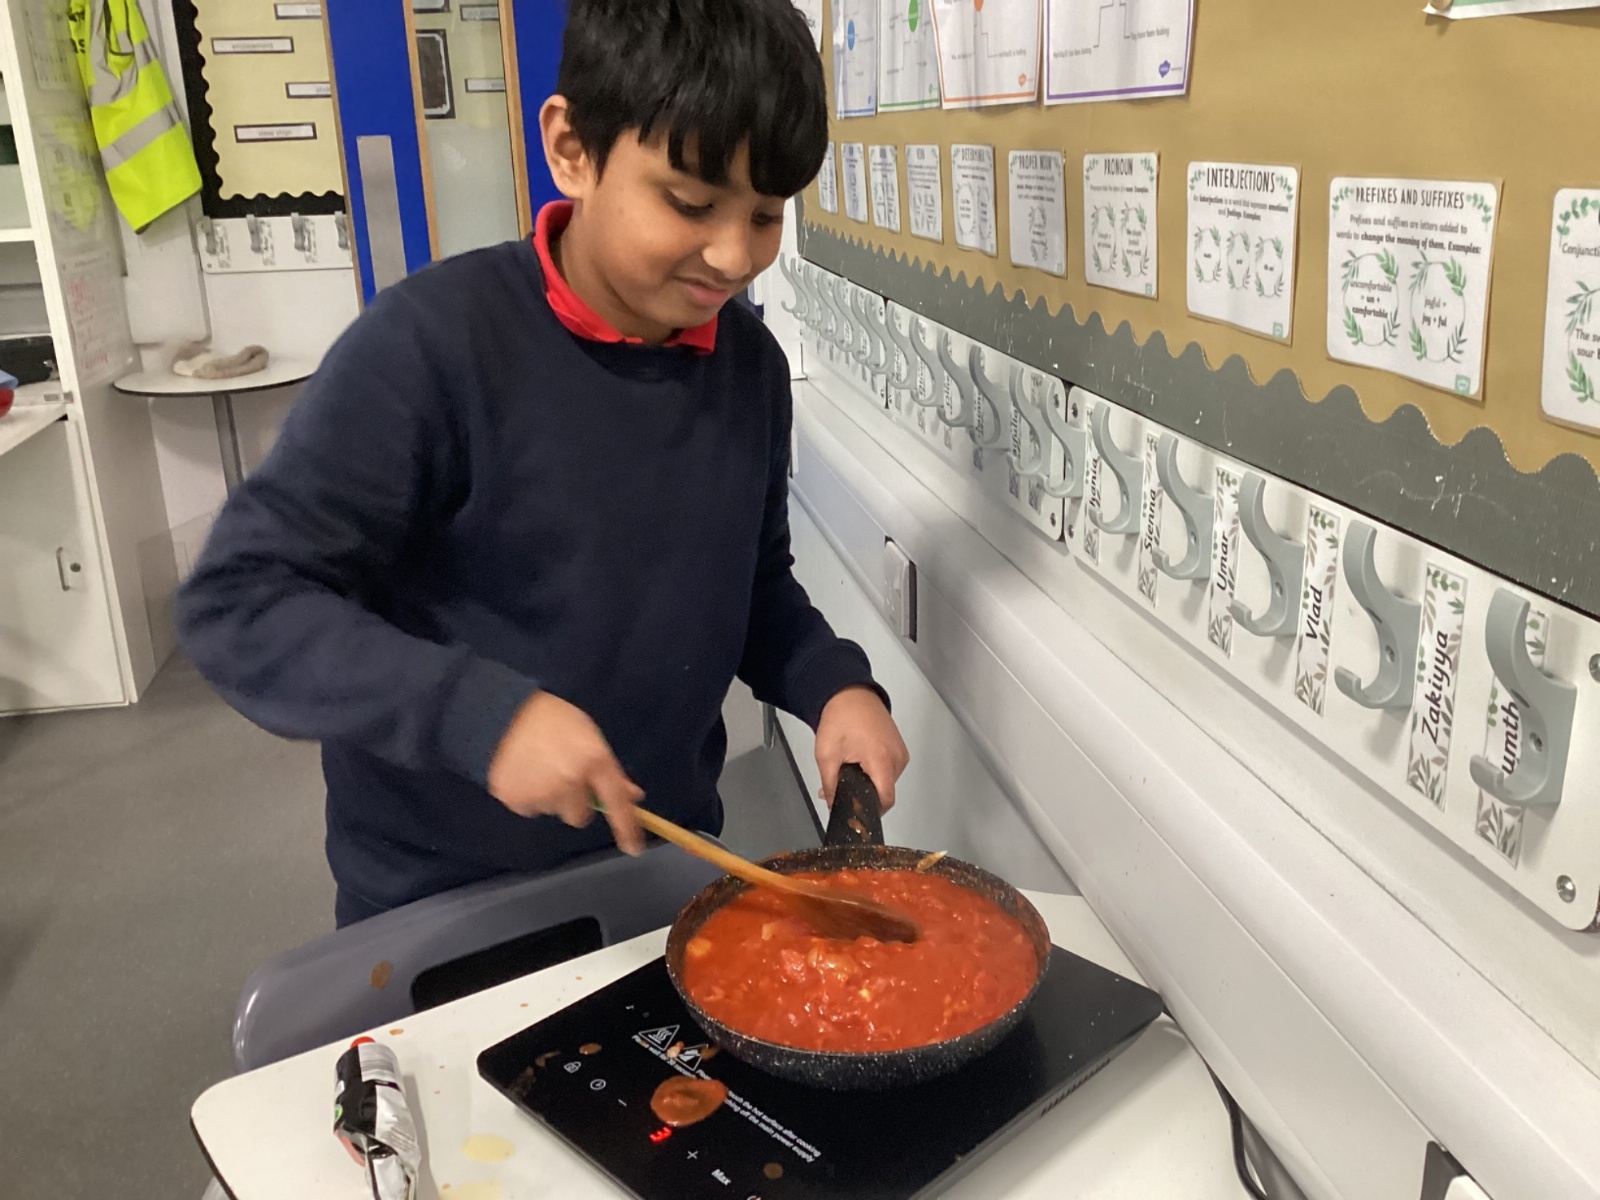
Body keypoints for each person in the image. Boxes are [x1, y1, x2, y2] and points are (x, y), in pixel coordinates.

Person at [177, 0, 909, 927]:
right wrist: (479, 717)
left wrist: (832, 682)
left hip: (664, 876)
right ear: (571, 149)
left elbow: (750, 585)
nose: (734, 255)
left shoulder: (749, 370)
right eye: (689, 204)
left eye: (765, 215)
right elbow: (240, 600)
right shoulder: (429, 348)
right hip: (441, 905)